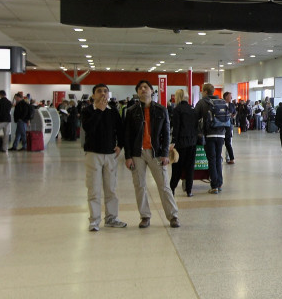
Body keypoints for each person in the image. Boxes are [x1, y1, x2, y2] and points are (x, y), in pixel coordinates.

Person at [123, 80, 180, 228]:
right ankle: (145, 216)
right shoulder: (131, 111)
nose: (143, 89)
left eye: (146, 87)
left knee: (164, 185)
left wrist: (165, 153)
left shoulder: (161, 110)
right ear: (137, 92)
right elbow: (127, 135)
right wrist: (128, 156)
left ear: (151, 91)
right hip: (137, 153)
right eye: (140, 88)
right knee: (140, 186)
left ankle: (173, 215)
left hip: (156, 153)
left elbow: (166, 133)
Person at [81, 83, 127, 231]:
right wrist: (99, 111)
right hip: (93, 154)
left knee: (111, 189)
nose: (102, 94)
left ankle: (111, 218)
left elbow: (121, 130)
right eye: (99, 91)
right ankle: (94, 220)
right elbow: (88, 128)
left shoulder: (113, 112)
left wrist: (120, 146)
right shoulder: (87, 111)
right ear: (93, 95)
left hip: (110, 155)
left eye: (105, 91)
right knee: (93, 188)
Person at [194, 83, 228, 194]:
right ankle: (219, 183)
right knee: (218, 158)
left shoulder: (202, 102)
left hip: (209, 135)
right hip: (221, 134)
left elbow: (195, 117)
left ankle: (214, 186)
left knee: (212, 160)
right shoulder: (221, 102)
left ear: (205, 92)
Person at [169, 89, 198, 197]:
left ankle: (172, 188)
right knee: (190, 167)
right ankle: (189, 190)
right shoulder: (192, 109)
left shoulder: (177, 109)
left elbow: (176, 127)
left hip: (181, 142)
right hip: (192, 141)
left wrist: (173, 142)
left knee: (177, 167)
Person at [222, 91, 236, 164]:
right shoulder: (221, 104)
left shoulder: (232, 105)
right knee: (220, 143)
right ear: (226, 97)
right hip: (221, 125)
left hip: (229, 125)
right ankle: (220, 158)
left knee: (228, 142)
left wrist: (232, 115)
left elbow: (234, 112)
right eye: (230, 96)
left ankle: (231, 158)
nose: (231, 97)